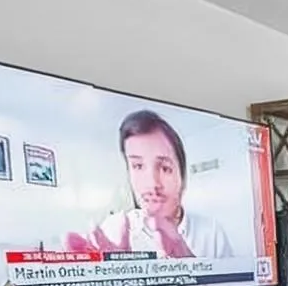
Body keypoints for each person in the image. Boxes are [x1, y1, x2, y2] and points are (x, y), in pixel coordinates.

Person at [64, 110, 234, 258]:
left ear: (182, 176)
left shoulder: (211, 232)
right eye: (138, 166)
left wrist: (194, 268)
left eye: (165, 168)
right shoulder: (113, 229)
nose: (152, 184)